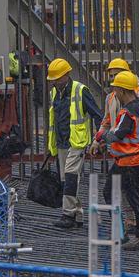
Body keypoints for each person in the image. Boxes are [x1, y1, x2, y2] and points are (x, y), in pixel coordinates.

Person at [95, 57, 139, 231]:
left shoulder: (137, 99)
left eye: (117, 76)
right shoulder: (111, 98)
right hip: (121, 153)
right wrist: (98, 139)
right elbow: (107, 121)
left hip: (131, 153)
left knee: (131, 192)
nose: (113, 81)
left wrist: (104, 136)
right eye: (112, 77)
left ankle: (135, 226)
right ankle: (131, 223)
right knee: (125, 191)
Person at [46, 57, 102, 229]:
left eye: (56, 78)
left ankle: (67, 214)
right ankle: (77, 213)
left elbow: (97, 115)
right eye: (53, 79)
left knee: (70, 176)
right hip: (61, 142)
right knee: (66, 180)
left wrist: (98, 140)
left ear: (66, 75)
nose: (54, 82)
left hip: (76, 142)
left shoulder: (80, 90)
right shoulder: (54, 93)